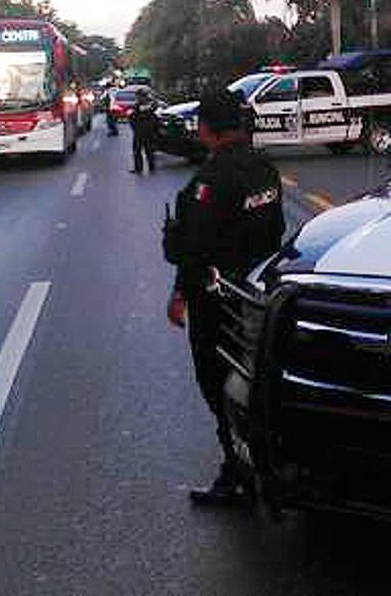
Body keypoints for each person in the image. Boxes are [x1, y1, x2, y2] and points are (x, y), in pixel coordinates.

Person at [164, 88, 285, 507]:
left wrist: (179, 293)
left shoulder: (213, 180)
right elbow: (276, 230)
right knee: (257, 377)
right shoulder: (263, 167)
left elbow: (195, 248)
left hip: (218, 299)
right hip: (260, 294)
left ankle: (238, 469)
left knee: (218, 384)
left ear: (209, 128)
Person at [128, 89, 156, 173]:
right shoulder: (150, 104)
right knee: (149, 149)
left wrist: (134, 126)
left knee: (138, 150)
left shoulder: (139, 105)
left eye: (138, 96)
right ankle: (151, 166)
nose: (137, 97)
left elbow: (133, 116)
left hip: (140, 131)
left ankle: (139, 168)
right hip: (147, 130)